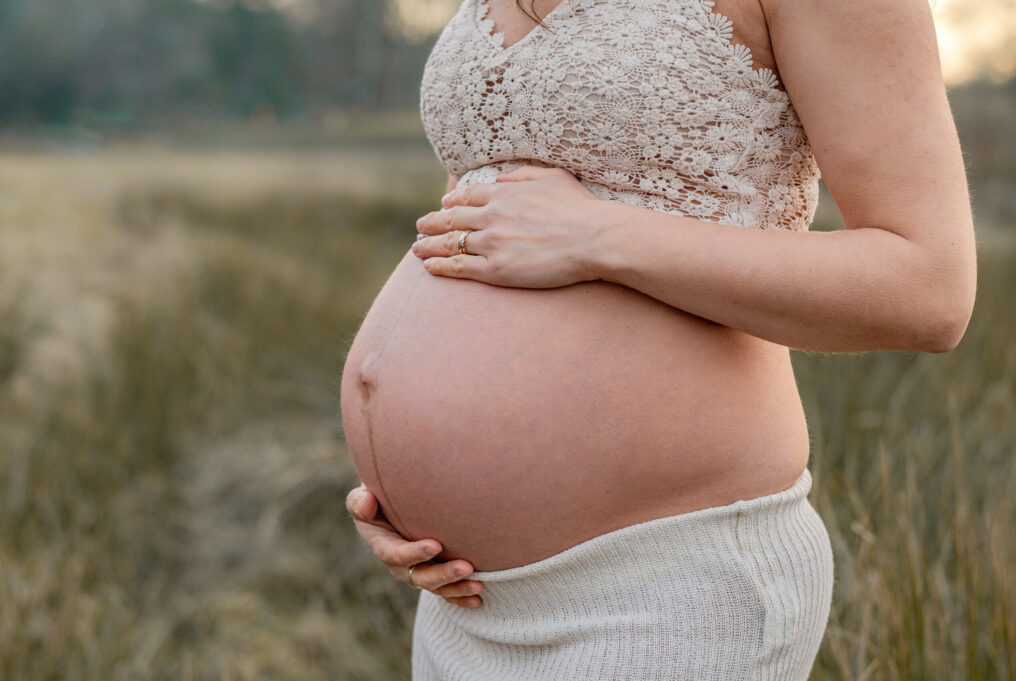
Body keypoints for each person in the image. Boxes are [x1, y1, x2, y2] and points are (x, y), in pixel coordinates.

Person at [340, 0, 976, 678]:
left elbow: (929, 288)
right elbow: (488, 213)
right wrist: (406, 491)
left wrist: (600, 236)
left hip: (665, 589)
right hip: (462, 594)